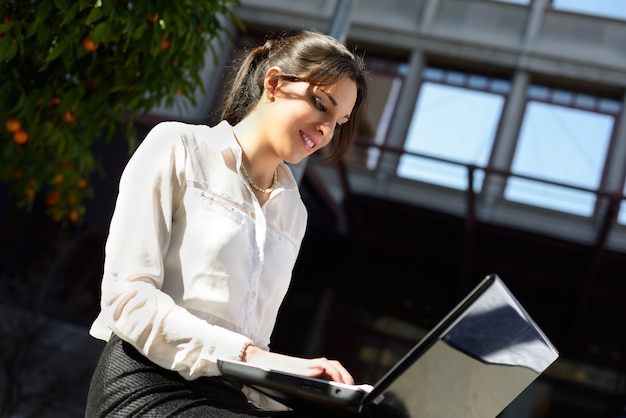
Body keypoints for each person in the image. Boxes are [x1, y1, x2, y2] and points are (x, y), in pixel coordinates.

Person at [85, 29, 369, 417]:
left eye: (339, 121)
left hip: (228, 397)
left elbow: (256, 343)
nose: (326, 130)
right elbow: (126, 300)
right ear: (274, 83)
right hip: (148, 383)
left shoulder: (293, 213)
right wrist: (254, 357)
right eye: (321, 104)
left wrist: (312, 392)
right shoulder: (178, 146)